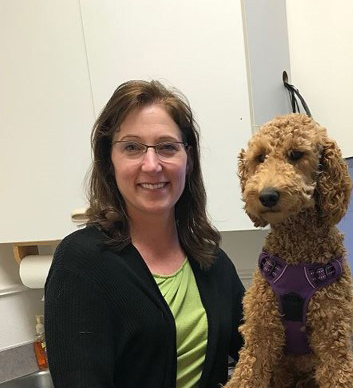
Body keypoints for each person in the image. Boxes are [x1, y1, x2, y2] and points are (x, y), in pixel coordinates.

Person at [44, 80, 245, 388]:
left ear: (188, 160)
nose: (152, 165)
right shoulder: (81, 263)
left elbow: (262, 353)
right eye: (132, 147)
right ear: (109, 161)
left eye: (167, 147)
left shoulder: (213, 263)